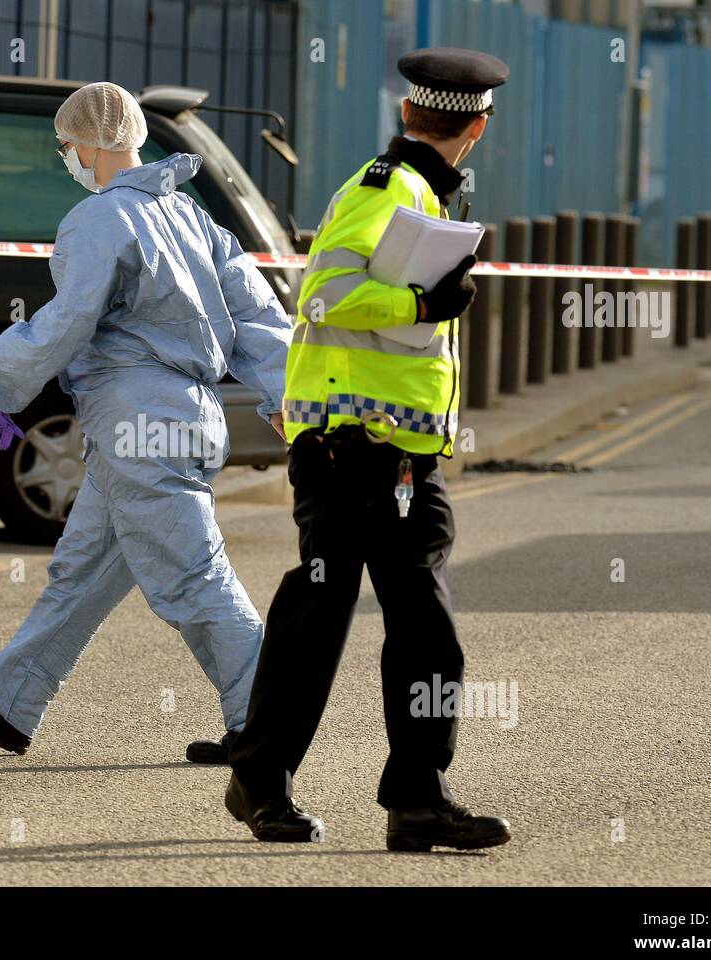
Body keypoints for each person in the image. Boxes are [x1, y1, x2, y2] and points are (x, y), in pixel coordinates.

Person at [0, 82, 291, 764]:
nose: (66, 158)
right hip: (182, 418)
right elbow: (258, 316)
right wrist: (285, 397)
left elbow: (65, 324)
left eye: (66, 146)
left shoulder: (96, 221)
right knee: (83, 567)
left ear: (92, 146)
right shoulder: (193, 219)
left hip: (137, 422)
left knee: (194, 577)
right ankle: (13, 699)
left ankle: (263, 723)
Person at [225, 48, 514, 849]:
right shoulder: (386, 191)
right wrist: (421, 297)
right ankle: (265, 777)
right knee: (328, 618)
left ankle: (413, 797)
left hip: (394, 452)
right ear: (478, 126)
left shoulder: (415, 194)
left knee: (413, 627)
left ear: (410, 113)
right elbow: (323, 295)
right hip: (353, 449)